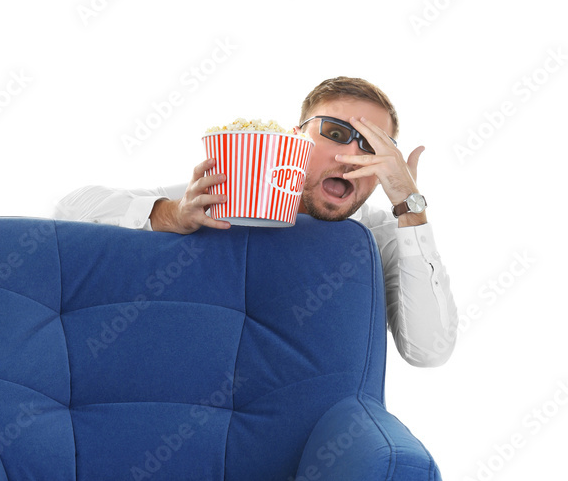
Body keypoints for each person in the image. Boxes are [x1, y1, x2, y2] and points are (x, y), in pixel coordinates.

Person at [53, 77, 457, 367]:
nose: (351, 155)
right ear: (294, 138)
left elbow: (428, 350)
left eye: (373, 146)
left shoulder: (381, 233)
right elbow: (70, 209)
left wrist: (409, 204)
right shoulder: (227, 196)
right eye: (335, 132)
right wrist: (170, 214)